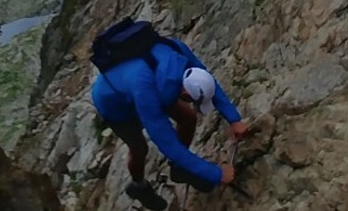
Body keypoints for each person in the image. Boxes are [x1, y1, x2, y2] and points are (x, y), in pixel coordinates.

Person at [91, 34, 247, 209]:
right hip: (114, 103)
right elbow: (168, 144)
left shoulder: (178, 50)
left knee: (188, 117)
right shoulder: (145, 91)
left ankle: (179, 168)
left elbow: (207, 82)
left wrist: (234, 119)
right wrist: (216, 174)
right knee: (139, 148)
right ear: (184, 93)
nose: (195, 105)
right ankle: (138, 186)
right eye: (193, 101)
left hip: (146, 83)